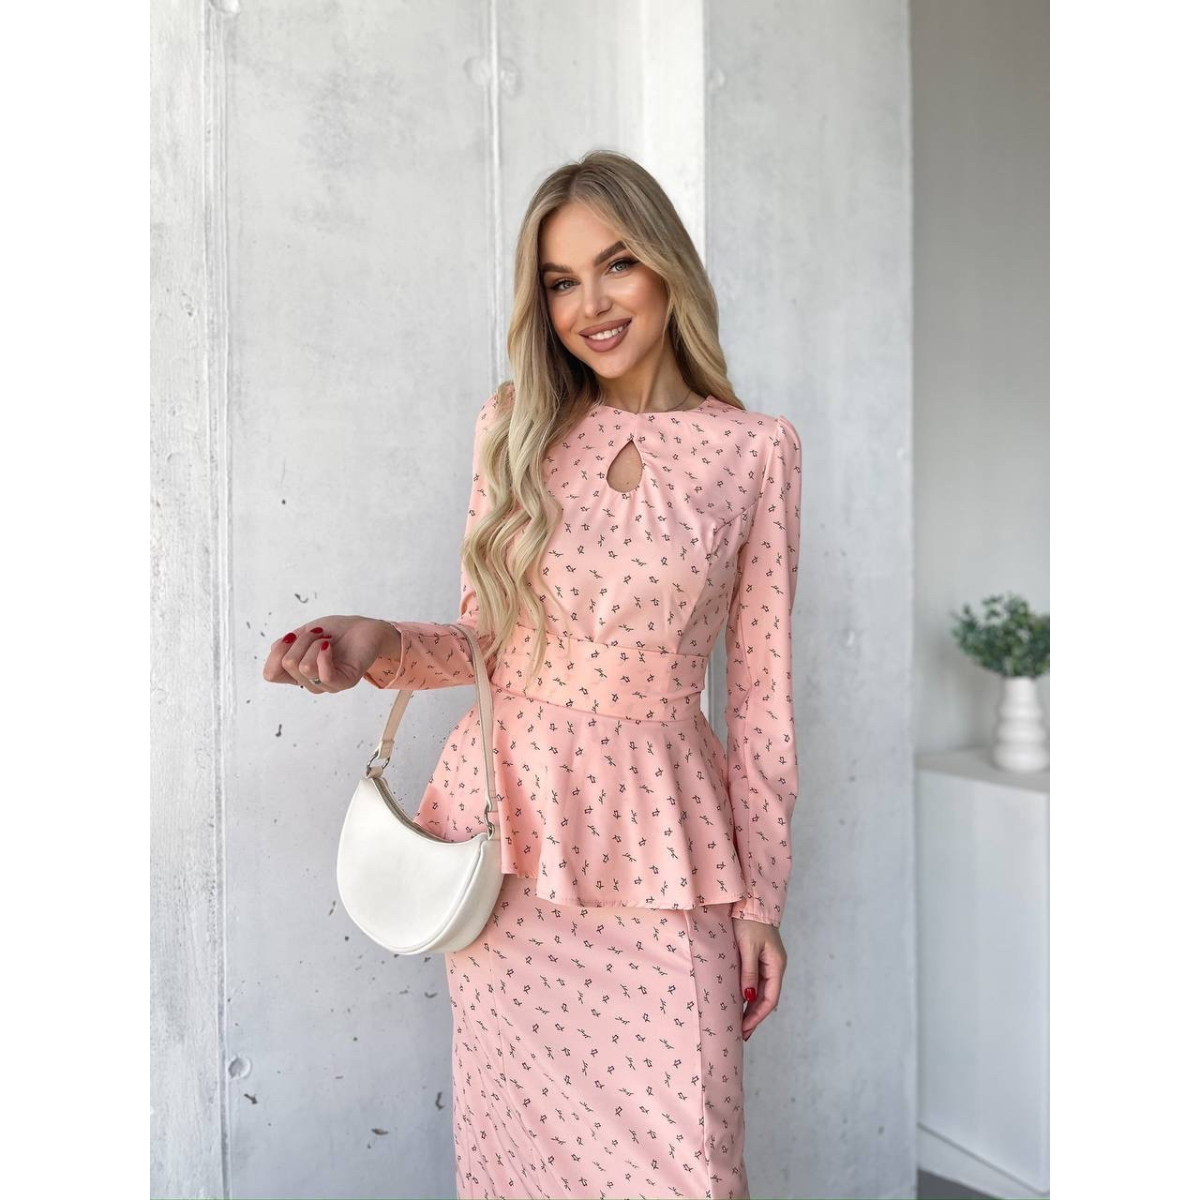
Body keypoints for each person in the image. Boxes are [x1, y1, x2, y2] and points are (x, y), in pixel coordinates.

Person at [262, 149, 802, 1200]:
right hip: (514, 842)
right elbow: (488, 642)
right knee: (522, 1167)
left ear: (668, 268)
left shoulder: (755, 451)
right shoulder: (514, 425)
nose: (589, 305)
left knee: (691, 1168)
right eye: (560, 281)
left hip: (665, 845)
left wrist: (761, 900)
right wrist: (373, 643)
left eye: (616, 265)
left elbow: (763, 700)